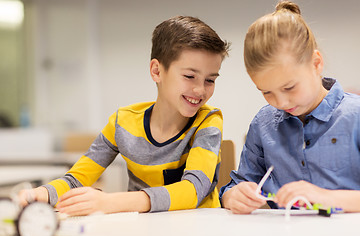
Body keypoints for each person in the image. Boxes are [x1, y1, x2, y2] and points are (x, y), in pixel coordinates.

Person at [20, 15, 230, 215]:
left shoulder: (208, 121)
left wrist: (111, 202)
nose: (201, 90)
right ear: (157, 71)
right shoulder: (123, 122)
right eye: (190, 76)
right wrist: (42, 194)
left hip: (199, 228)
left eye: (210, 80)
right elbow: (76, 180)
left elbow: (193, 191)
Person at [220, 0, 360, 214]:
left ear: (316, 63)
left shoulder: (355, 116)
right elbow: (235, 187)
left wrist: (326, 197)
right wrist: (233, 196)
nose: (281, 103)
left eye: (289, 87)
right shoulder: (263, 124)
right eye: (266, 92)